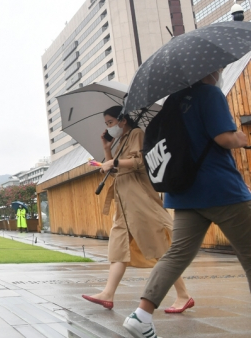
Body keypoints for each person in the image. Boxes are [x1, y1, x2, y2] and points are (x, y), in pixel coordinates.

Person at [123, 69, 251, 338]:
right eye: (218, 68)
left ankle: (141, 316)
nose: (220, 71)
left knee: (177, 254)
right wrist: (241, 138)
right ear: (210, 70)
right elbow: (224, 138)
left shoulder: (174, 101)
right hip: (221, 189)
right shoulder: (210, 94)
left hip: (183, 192)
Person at [82, 106, 192, 313]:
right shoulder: (121, 141)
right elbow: (117, 171)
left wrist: (113, 161)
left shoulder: (137, 134)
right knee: (117, 250)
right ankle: (107, 294)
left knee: (159, 248)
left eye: (110, 123)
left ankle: (184, 295)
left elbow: (141, 162)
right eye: (107, 124)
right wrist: (107, 150)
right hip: (123, 206)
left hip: (140, 203)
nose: (108, 128)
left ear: (122, 120)